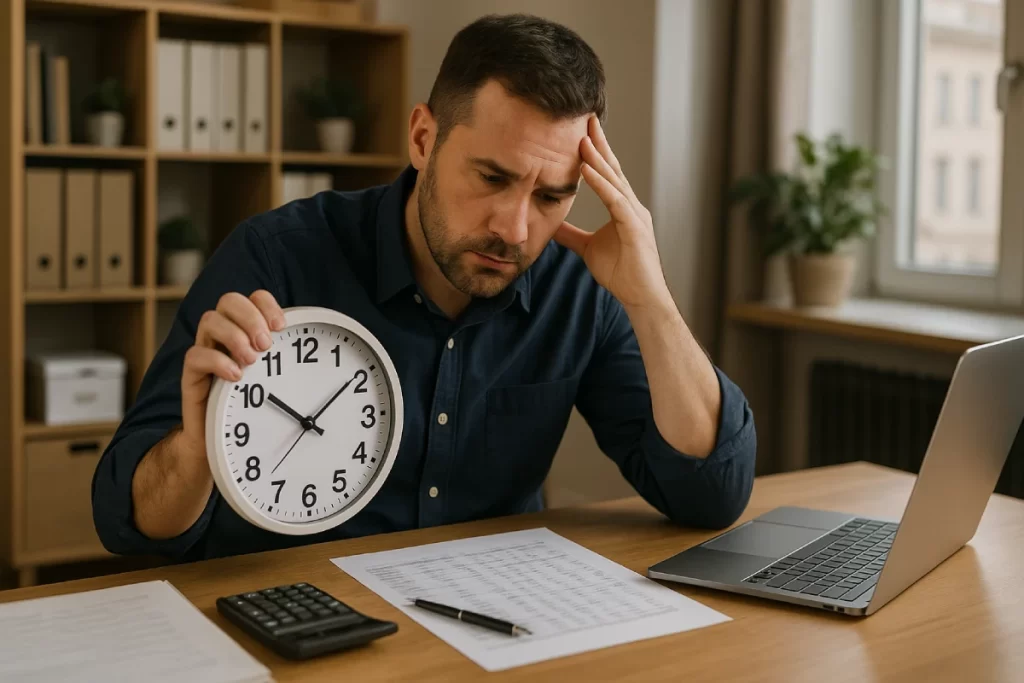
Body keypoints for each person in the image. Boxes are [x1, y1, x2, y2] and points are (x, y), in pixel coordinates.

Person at [92, 13, 756, 562]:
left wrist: (652, 300)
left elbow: (712, 492)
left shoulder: (573, 285)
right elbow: (128, 526)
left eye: (552, 195)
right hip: (293, 621)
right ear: (422, 137)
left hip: (490, 625)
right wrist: (195, 443)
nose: (516, 228)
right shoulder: (279, 257)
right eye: (492, 178)